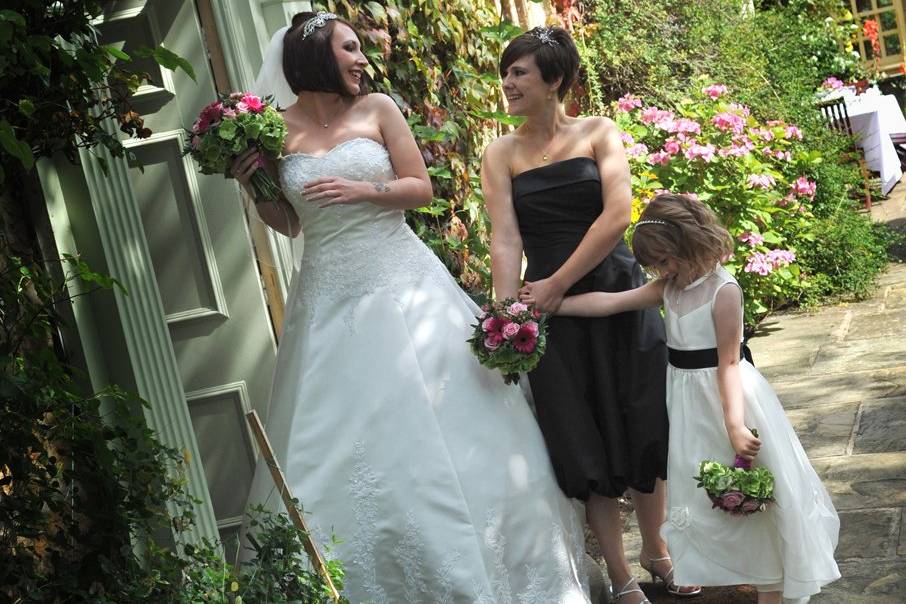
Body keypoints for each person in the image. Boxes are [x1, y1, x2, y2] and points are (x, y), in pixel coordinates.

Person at [232, 12, 592, 603]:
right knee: (340, 436)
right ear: (315, 56)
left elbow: (419, 188)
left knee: (451, 418)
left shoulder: (378, 110)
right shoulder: (273, 129)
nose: (360, 59)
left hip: (403, 279)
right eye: (348, 48)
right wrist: (256, 186)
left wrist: (363, 191)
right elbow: (291, 224)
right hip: (328, 295)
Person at [482, 26, 700, 603]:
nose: (507, 83)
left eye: (519, 73)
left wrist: (557, 282)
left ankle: (657, 551)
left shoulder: (600, 132)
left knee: (643, 424)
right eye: (506, 72)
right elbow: (505, 240)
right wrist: (509, 316)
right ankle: (623, 579)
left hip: (615, 293)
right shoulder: (498, 153)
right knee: (583, 442)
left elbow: (616, 216)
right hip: (550, 316)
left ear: (555, 79)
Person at [551, 193, 841, 604]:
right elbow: (612, 303)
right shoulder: (670, 288)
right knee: (710, 494)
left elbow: (728, 365)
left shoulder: (723, 292)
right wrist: (554, 302)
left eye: (667, 261)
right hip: (688, 406)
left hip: (727, 403)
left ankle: (771, 587)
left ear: (692, 244)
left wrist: (736, 427)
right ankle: (736, 567)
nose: (664, 272)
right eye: (657, 266)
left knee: (755, 493)